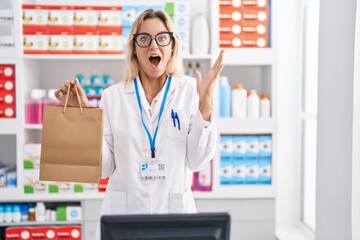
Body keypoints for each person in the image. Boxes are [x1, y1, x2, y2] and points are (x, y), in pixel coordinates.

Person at [54, 9, 224, 239]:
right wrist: (83, 118)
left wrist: (205, 105)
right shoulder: (112, 97)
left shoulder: (190, 91)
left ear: (172, 45)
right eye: (144, 39)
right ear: (134, 48)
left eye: (162, 38)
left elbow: (197, 161)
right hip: (125, 217)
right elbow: (104, 169)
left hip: (174, 216)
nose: (153, 46)